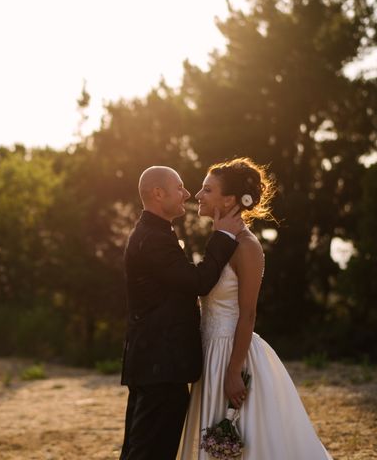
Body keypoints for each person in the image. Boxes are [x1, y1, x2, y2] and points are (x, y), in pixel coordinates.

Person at [177, 157, 332, 459]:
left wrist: (234, 371)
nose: (198, 195)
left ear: (230, 199)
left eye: (207, 190)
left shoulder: (247, 246)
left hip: (233, 352)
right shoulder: (219, 240)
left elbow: (248, 313)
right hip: (209, 354)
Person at [120, 166, 245, 460]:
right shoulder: (153, 238)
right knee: (150, 451)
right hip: (160, 366)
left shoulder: (154, 232)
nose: (187, 194)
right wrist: (223, 236)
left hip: (154, 364)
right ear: (158, 193)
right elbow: (198, 282)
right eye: (179, 188)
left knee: (141, 448)